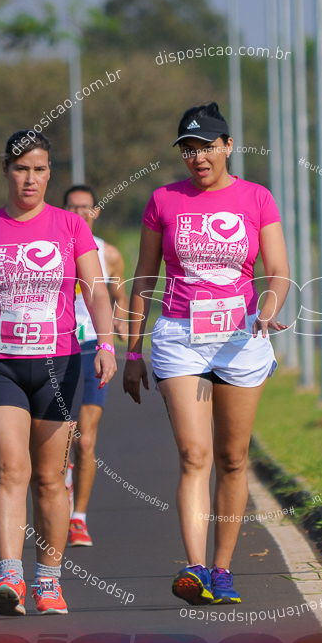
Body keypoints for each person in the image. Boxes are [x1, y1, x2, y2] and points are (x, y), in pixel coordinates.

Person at [0, 130, 116, 615]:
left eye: (39, 169)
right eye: (21, 169)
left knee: (49, 480)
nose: (30, 178)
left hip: (59, 365)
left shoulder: (69, 226)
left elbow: (95, 289)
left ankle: (49, 580)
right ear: (6, 171)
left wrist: (104, 343)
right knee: (10, 470)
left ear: (49, 173)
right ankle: (9, 576)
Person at [122, 102, 290, 605]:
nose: (198, 157)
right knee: (194, 455)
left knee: (233, 458)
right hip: (178, 335)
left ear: (228, 147)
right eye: (189, 149)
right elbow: (144, 279)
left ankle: (222, 569)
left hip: (241, 336)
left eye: (207, 147)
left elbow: (278, 269)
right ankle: (194, 569)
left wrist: (268, 306)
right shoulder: (163, 200)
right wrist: (133, 351)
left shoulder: (256, 198)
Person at [62, 184, 129, 547]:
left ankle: (78, 519)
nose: (79, 214)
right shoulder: (50, 245)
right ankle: (62, 482)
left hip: (91, 348)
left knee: (85, 441)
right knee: (62, 438)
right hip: (54, 347)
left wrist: (118, 323)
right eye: (72, 208)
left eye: (86, 208)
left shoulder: (109, 254)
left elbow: (119, 295)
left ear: (96, 211)